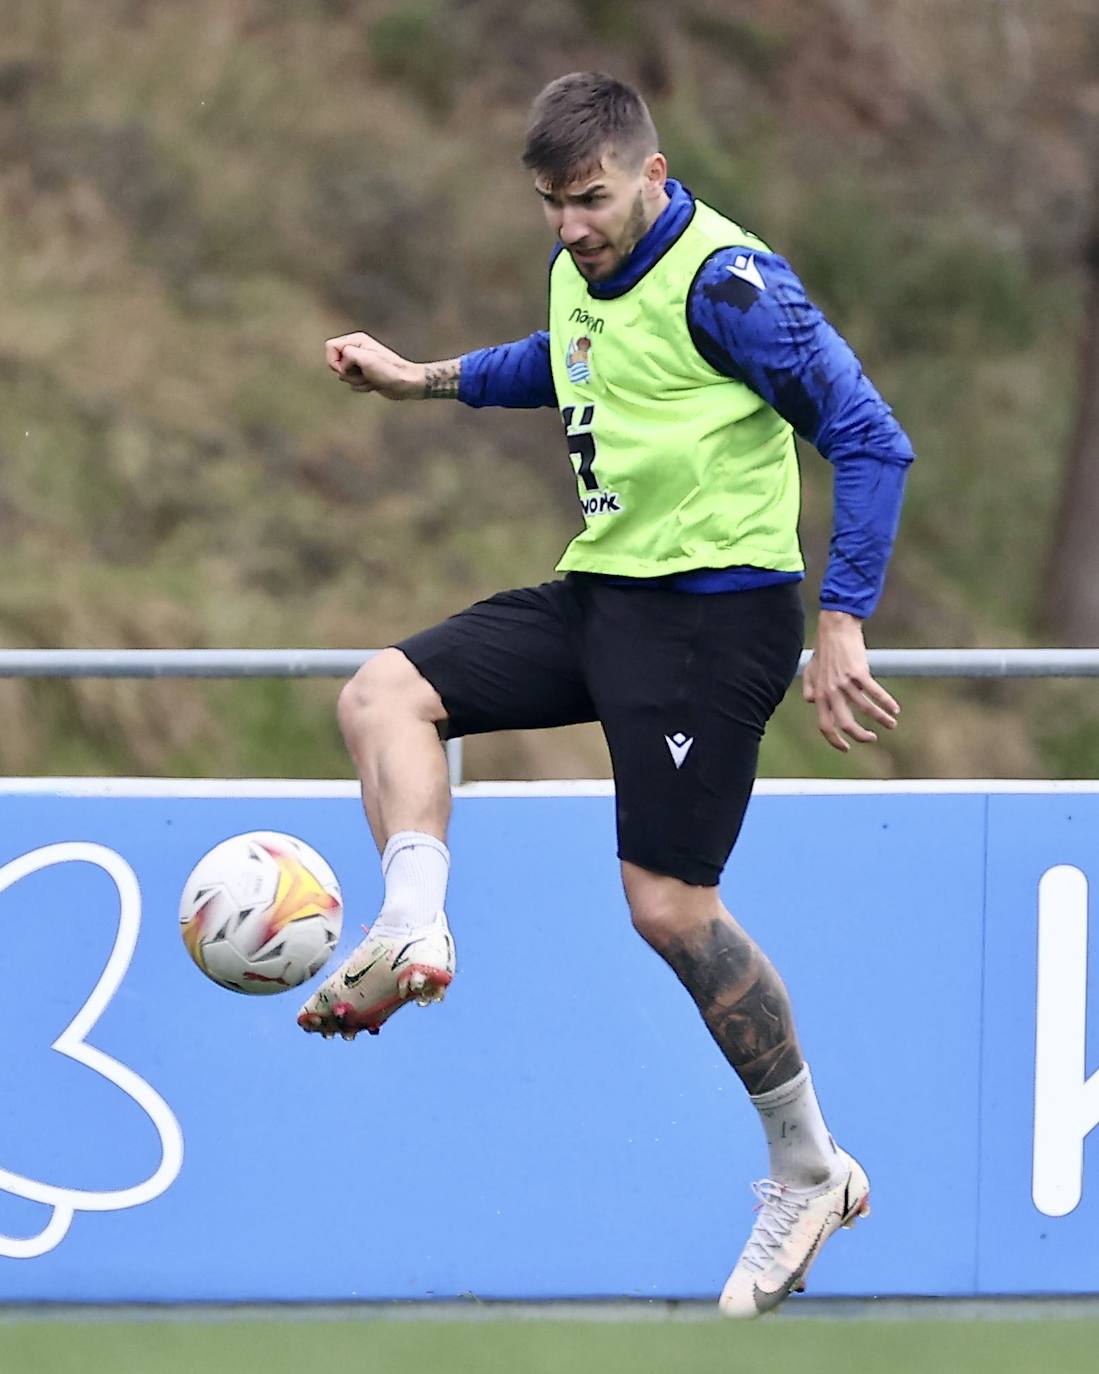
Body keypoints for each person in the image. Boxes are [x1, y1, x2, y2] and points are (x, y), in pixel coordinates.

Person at [298, 71, 914, 1318]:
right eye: (549, 205)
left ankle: (809, 1168)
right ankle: (414, 922)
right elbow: (567, 363)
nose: (570, 226)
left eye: (588, 200)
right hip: (603, 596)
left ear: (654, 173)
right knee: (382, 692)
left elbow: (867, 434)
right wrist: (420, 378)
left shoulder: (731, 288)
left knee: (670, 911)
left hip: (714, 619)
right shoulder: (584, 262)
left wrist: (841, 622)